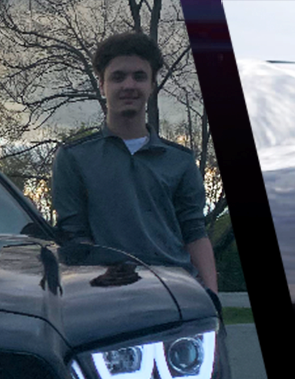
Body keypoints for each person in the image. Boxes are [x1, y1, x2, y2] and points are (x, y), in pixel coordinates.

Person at [50, 31, 219, 293]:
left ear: (152, 85)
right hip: (105, 293)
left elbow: (195, 233)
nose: (129, 85)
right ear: (102, 85)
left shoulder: (181, 161)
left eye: (139, 76)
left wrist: (212, 298)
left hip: (176, 292)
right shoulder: (73, 158)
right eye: (118, 77)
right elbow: (75, 238)